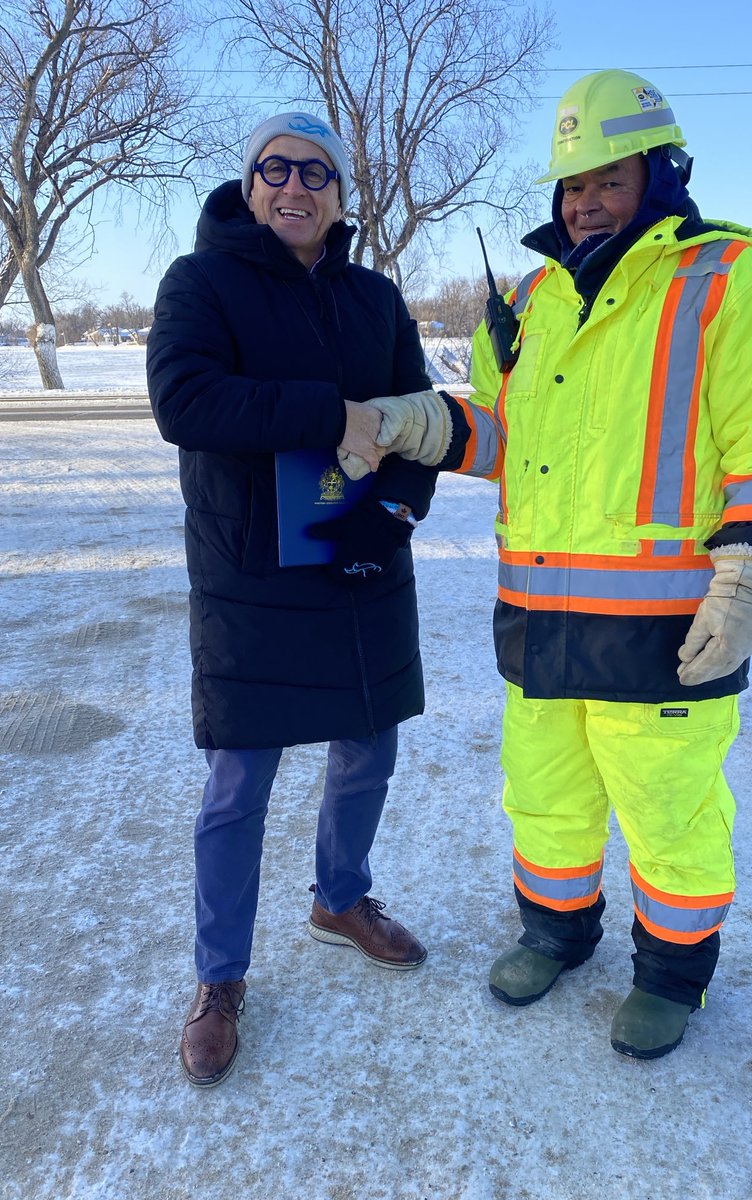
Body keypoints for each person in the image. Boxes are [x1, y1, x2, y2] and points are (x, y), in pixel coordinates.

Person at [348, 70, 752, 1059]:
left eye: (609, 179)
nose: (587, 203)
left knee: (670, 815)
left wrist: (750, 575)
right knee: (544, 799)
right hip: (538, 623)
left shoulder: (737, 286)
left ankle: (671, 976)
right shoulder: (534, 300)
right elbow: (501, 434)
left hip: (665, 634)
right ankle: (555, 934)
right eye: (573, 185)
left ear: (661, 173)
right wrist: (413, 421)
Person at [146, 112, 444, 1087]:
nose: (294, 186)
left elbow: (422, 419)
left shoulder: (375, 297)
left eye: (317, 172)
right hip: (251, 574)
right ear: (250, 185)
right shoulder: (201, 282)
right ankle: (219, 977)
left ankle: (339, 900)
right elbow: (185, 401)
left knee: (369, 749)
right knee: (240, 783)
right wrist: (333, 413)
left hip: (360, 563)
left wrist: (395, 511)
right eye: (275, 168)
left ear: (341, 196)